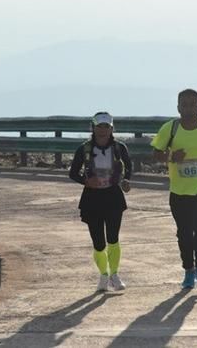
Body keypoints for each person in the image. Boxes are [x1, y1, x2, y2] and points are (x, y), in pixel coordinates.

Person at [150, 89, 197, 289]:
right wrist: (170, 157)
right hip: (180, 190)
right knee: (184, 231)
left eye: (193, 104)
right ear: (178, 107)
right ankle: (188, 270)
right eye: (185, 104)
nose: (189, 108)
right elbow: (156, 154)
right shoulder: (170, 128)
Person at [69, 112, 132, 292]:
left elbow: (128, 166)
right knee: (98, 242)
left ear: (112, 128)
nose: (103, 130)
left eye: (106, 127)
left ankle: (114, 275)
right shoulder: (84, 149)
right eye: (99, 126)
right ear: (93, 127)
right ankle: (103, 275)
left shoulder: (120, 148)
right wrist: (86, 181)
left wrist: (127, 180)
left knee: (113, 238)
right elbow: (73, 173)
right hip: (92, 199)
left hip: (113, 197)